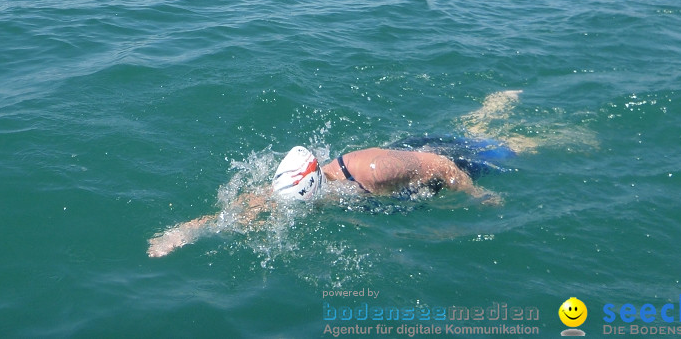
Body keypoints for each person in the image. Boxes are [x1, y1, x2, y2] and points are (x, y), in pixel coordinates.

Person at [147, 91, 530, 258]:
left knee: (514, 147)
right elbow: (243, 210)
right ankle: (491, 109)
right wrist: (184, 232)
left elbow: (440, 167)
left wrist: (475, 195)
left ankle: (532, 125)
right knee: (479, 129)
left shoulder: (372, 171)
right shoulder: (291, 185)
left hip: (432, 162)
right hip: (409, 167)